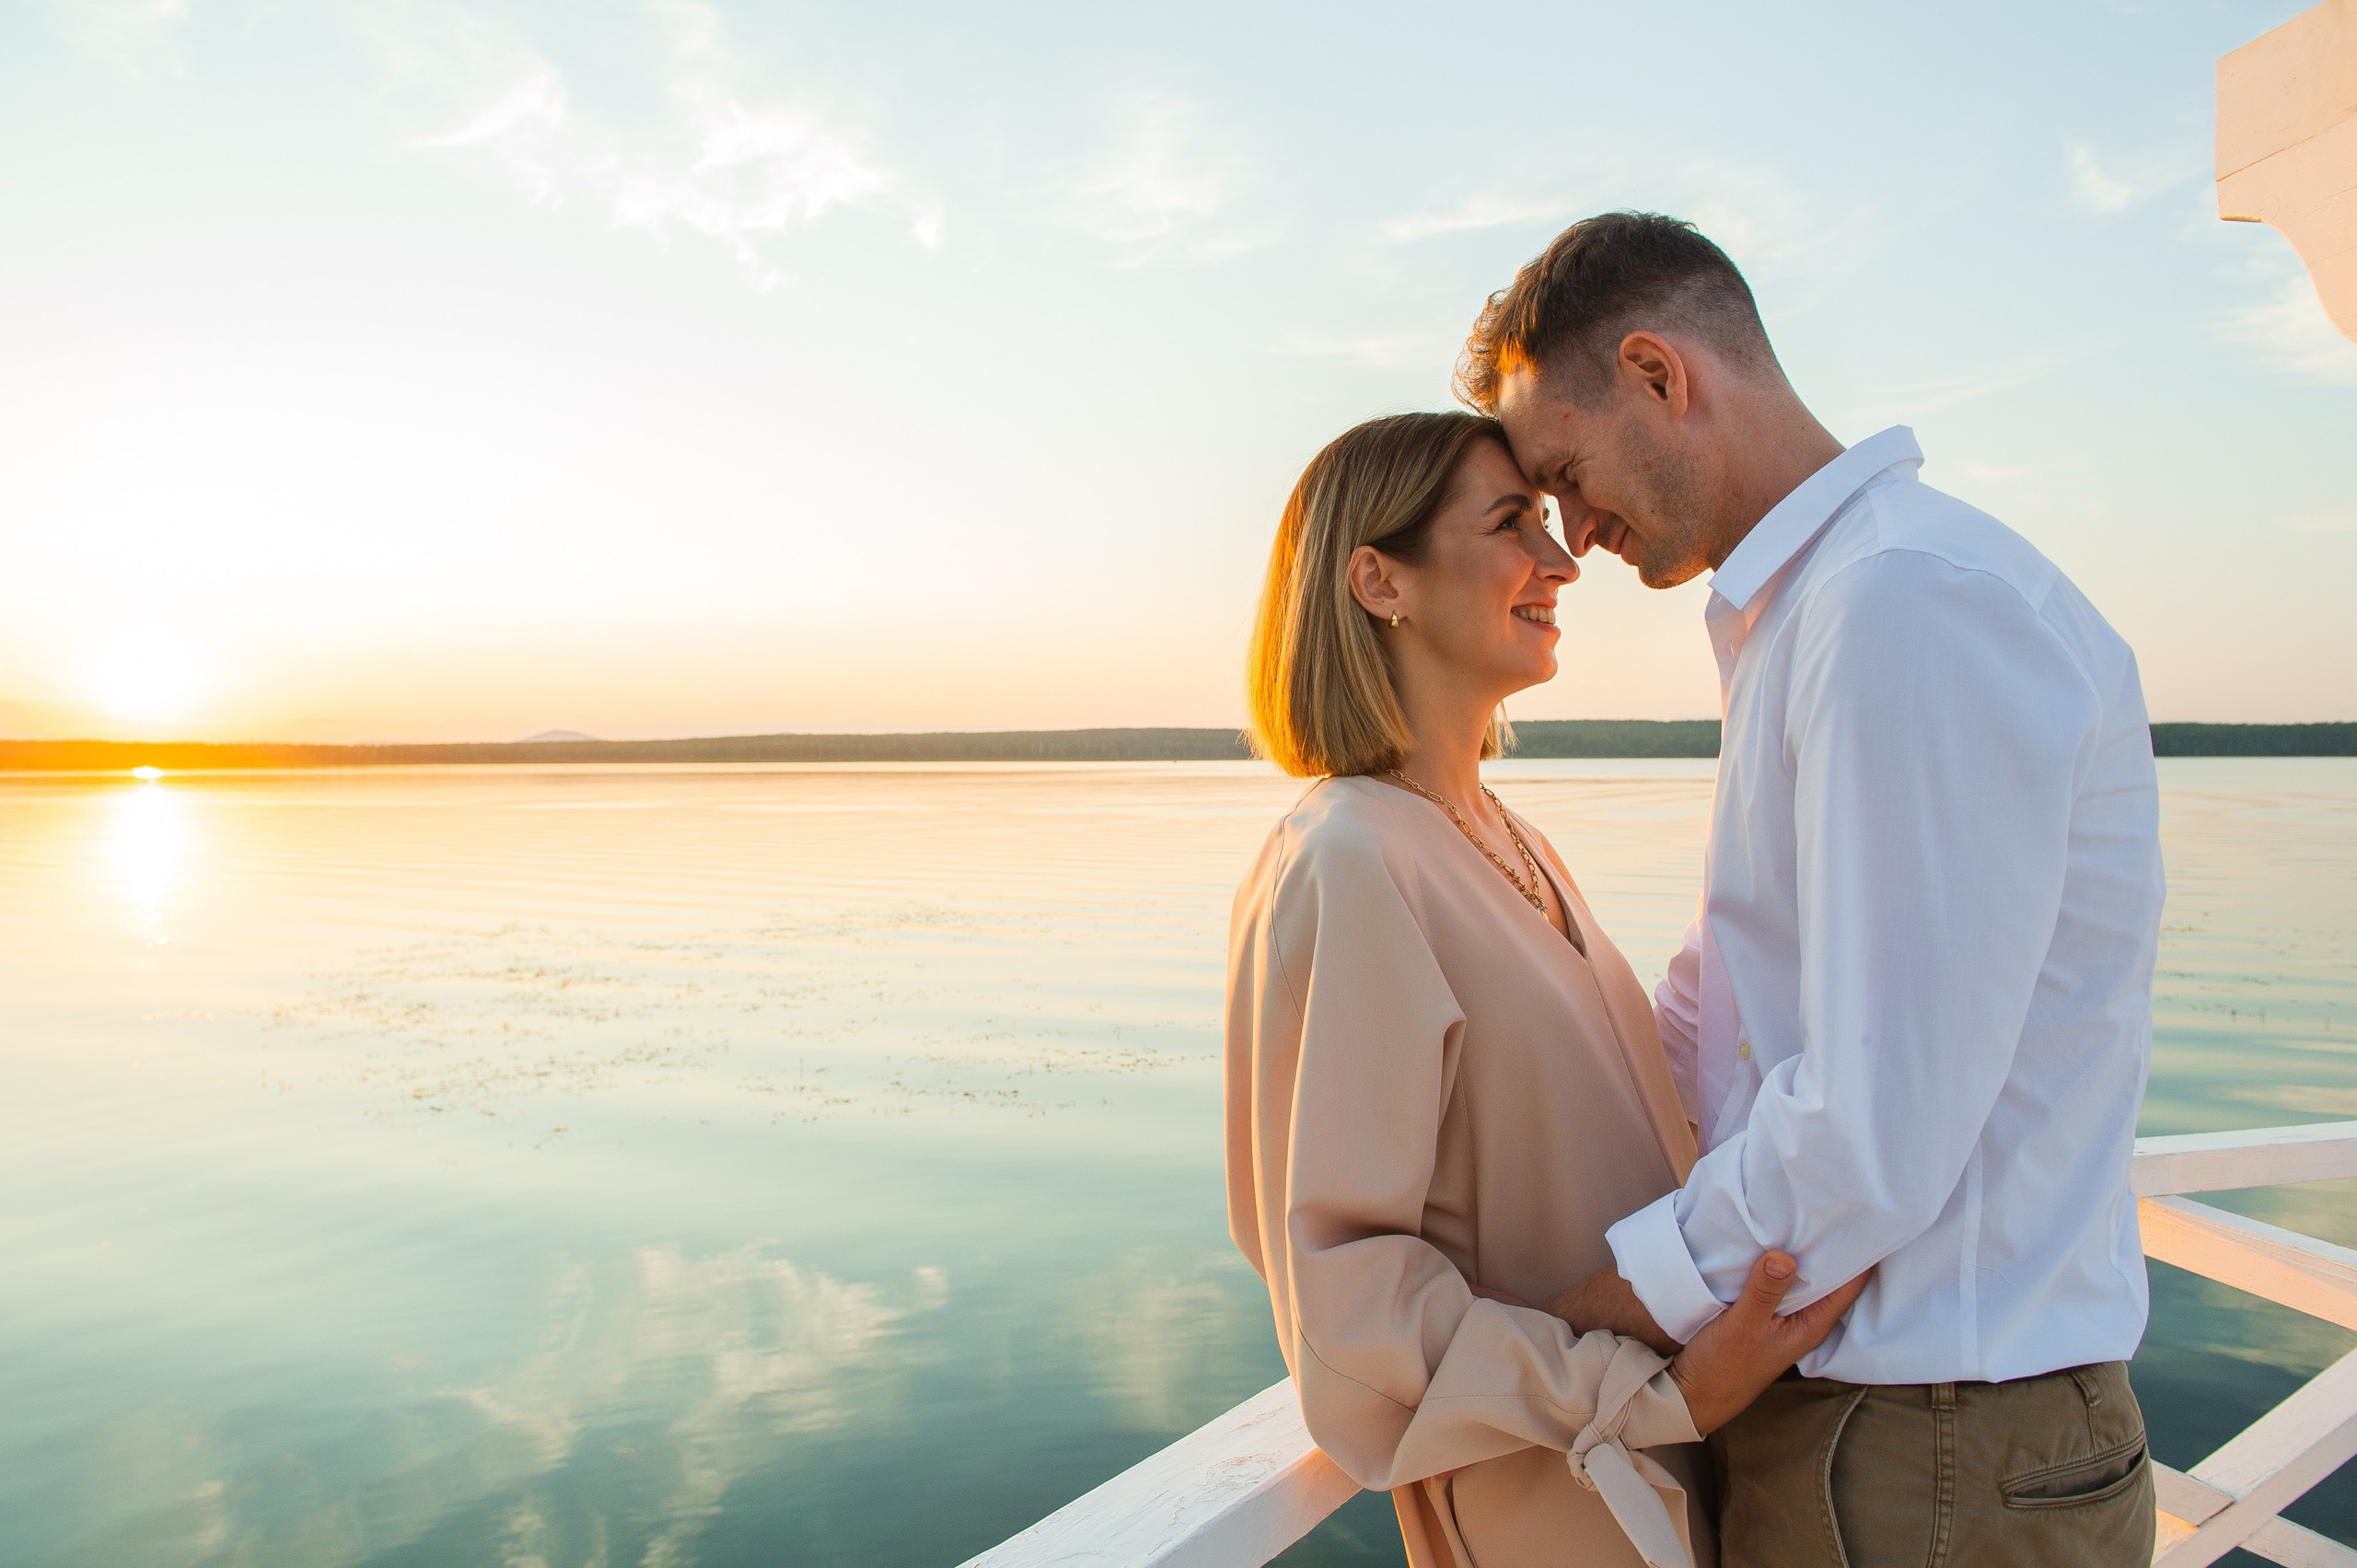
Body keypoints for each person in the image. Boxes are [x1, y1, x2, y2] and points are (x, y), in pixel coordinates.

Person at [1455, 212, 2165, 1566]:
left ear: (1662, 374)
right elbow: (1725, 996)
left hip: (1930, 1448)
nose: (1571, 529)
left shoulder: (1899, 603)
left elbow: (1867, 1120)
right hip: (1904, 1435)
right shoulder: (1829, 608)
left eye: (1565, 470)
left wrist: (1601, 1301)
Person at [1225, 409, 1866, 1568]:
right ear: (1380, 580)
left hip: (1665, 1463)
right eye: (1511, 522)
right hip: (1556, 1495)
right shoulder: (1348, 858)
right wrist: (1646, 1381)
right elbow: (1348, 1299)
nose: (1565, 559)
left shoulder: (1501, 836)